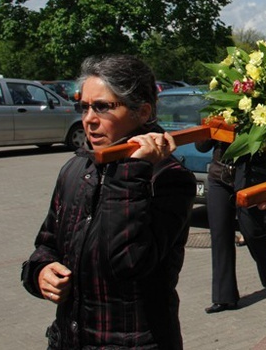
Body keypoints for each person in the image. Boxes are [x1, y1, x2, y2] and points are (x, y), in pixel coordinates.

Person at [21, 54, 197, 349]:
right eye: (85, 107)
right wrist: (40, 272)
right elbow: (47, 243)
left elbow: (128, 263)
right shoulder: (76, 169)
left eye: (103, 107)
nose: (88, 119)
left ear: (142, 112)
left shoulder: (168, 178)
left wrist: (131, 170)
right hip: (70, 339)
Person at [195, 140, 266, 313]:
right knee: (220, 234)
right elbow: (201, 146)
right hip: (220, 175)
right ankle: (224, 298)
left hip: (250, 175)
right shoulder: (219, 114)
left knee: (252, 231)